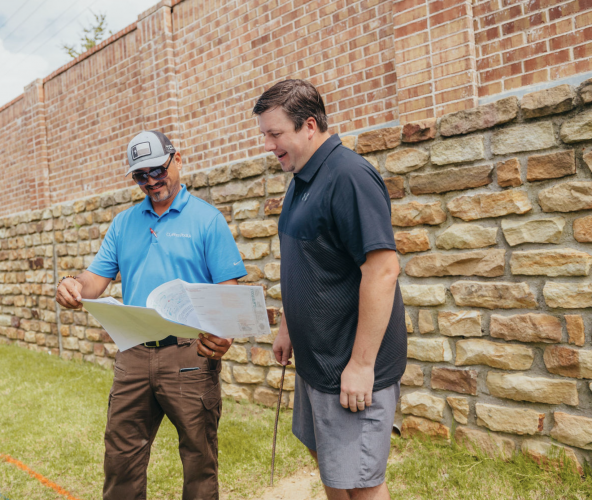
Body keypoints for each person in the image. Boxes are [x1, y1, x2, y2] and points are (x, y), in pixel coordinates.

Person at [55, 130, 246, 500]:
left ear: (177, 159)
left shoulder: (208, 220)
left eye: (157, 170)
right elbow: (94, 280)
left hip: (190, 355)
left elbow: (228, 292)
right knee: (120, 458)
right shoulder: (124, 224)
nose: (151, 181)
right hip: (133, 356)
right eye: (140, 176)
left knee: (199, 458)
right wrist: (72, 285)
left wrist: (225, 334)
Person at [254, 80, 407, 500]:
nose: (268, 145)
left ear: (308, 125)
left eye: (274, 134)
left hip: (349, 364)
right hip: (316, 362)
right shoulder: (301, 179)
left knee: (362, 483)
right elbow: (306, 262)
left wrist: (361, 365)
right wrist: (288, 325)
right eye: (264, 135)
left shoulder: (349, 176)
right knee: (334, 470)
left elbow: (383, 271)